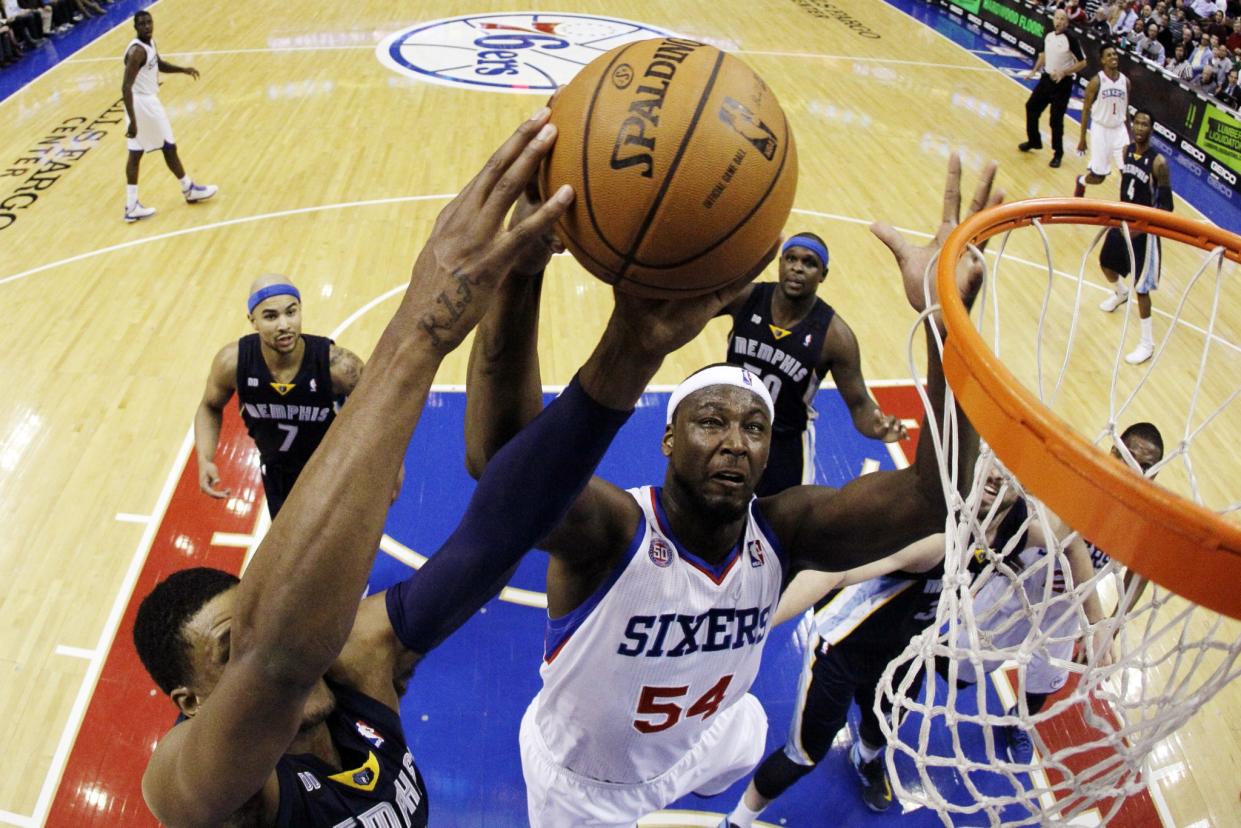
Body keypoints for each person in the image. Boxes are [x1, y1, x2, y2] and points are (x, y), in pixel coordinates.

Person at [135, 110, 748, 828]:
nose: (259, 629)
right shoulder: (188, 787)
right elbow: (274, 662)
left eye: (253, 612)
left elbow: (497, 533)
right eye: (226, 645)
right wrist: (423, 329)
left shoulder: (362, 661)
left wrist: (629, 351)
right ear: (190, 703)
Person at [465, 152, 1002, 827]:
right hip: (584, 785)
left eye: (753, 426)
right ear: (666, 439)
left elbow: (935, 497)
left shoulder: (786, 530)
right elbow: (500, 462)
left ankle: (707, 764)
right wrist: (523, 268)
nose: (735, 440)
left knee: (741, 729)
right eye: (710, 420)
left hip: (703, 735)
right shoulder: (612, 533)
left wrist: (949, 324)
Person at [721, 465, 1030, 825]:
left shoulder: (1017, 526)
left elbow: (1071, 548)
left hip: (906, 651)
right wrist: (754, 627)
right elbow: (832, 572)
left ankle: (865, 757)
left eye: (1010, 468)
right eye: (990, 462)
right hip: (843, 648)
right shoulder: (933, 538)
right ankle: (738, 819)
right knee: (804, 754)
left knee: (883, 725)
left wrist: (1100, 624)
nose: (996, 475)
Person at [949, 422, 1164, 764]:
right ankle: (936, 696)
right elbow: (1035, 522)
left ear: (1153, 475)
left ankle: (1017, 723)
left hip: (1066, 609)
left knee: (1044, 681)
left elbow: (1141, 572)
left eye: (1143, 466)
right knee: (961, 663)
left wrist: (1113, 622)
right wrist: (1002, 556)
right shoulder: (1076, 478)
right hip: (1019, 586)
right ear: (1112, 453)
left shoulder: (1145, 520)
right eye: (1126, 457)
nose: (1132, 469)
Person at [720, 231, 906, 496]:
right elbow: (688, 311)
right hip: (730, 424)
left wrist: (877, 427)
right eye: (791, 259)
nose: (797, 268)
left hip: (783, 443)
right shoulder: (746, 298)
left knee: (779, 526)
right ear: (780, 263)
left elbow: (860, 404)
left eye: (809, 263)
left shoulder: (835, 336)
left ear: (823, 275)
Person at [193, 276, 365, 517]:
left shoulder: (337, 366)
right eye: (271, 316)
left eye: (291, 312)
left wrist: (390, 467)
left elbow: (380, 412)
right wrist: (205, 458)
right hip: (278, 475)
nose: (284, 324)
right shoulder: (231, 363)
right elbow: (209, 406)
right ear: (253, 321)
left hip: (334, 470)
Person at [121, 10, 217, 223]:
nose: (147, 26)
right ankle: (188, 188)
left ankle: (131, 205)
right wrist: (134, 120)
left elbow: (159, 63)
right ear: (135, 27)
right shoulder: (137, 51)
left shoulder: (149, 44)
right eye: (142, 24)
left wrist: (182, 69)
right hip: (142, 104)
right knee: (169, 147)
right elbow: (125, 87)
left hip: (142, 102)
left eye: (149, 22)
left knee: (136, 154)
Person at [1095, 109, 1173, 366]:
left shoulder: (1159, 163)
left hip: (1145, 234)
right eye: (1137, 122)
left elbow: (1167, 208)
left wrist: (1145, 225)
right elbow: (1126, 186)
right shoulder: (1127, 151)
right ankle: (1119, 293)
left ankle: (1147, 343)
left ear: (1152, 129)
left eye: (1145, 124)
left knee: (1142, 289)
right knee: (1106, 263)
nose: (1140, 127)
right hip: (1123, 225)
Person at [1020, 9, 1088, 168]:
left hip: (1062, 84)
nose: (1059, 21)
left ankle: (1058, 153)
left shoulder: (1071, 39)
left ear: (1067, 22)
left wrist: (1064, 72)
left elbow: (1083, 62)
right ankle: (1034, 141)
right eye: (1057, 18)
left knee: (1055, 121)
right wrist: (1034, 71)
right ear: (1053, 20)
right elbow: (1042, 55)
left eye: (1062, 19)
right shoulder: (1049, 36)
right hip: (1046, 80)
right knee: (1031, 107)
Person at [1074, 44, 1131, 197]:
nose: (1113, 57)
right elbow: (1085, 110)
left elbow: (1125, 109)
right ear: (1102, 60)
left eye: (1115, 54)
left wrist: (1130, 137)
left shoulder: (1125, 81)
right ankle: (1081, 181)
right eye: (1109, 55)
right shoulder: (1096, 82)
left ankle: (1127, 211)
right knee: (1098, 178)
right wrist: (1082, 138)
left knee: (1128, 172)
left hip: (1119, 130)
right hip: (1101, 129)